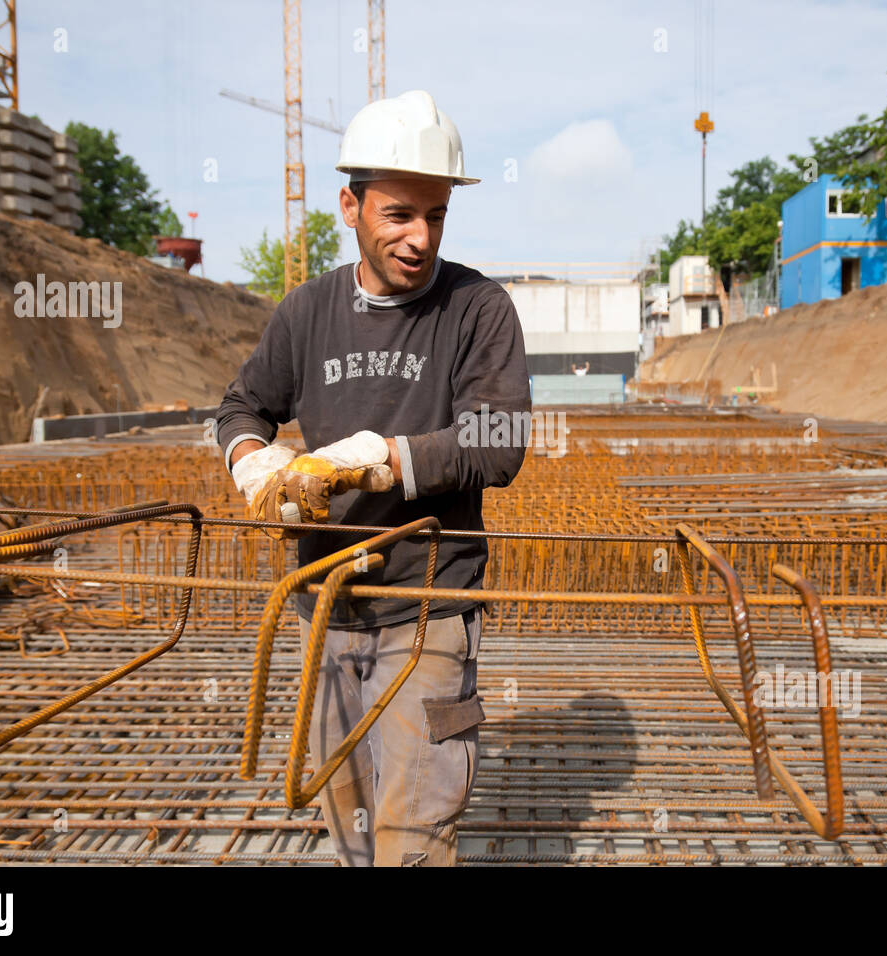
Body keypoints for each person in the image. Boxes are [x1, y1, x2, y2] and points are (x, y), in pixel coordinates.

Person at [215, 90, 531, 866]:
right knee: (350, 824)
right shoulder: (306, 313)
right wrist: (252, 458)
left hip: (429, 605)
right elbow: (243, 405)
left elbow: (500, 442)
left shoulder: (476, 309)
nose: (420, 237)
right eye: (399, 214)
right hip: (326, 605)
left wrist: (386, 459)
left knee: (413, 833)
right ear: (350, 206)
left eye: (437, 214)